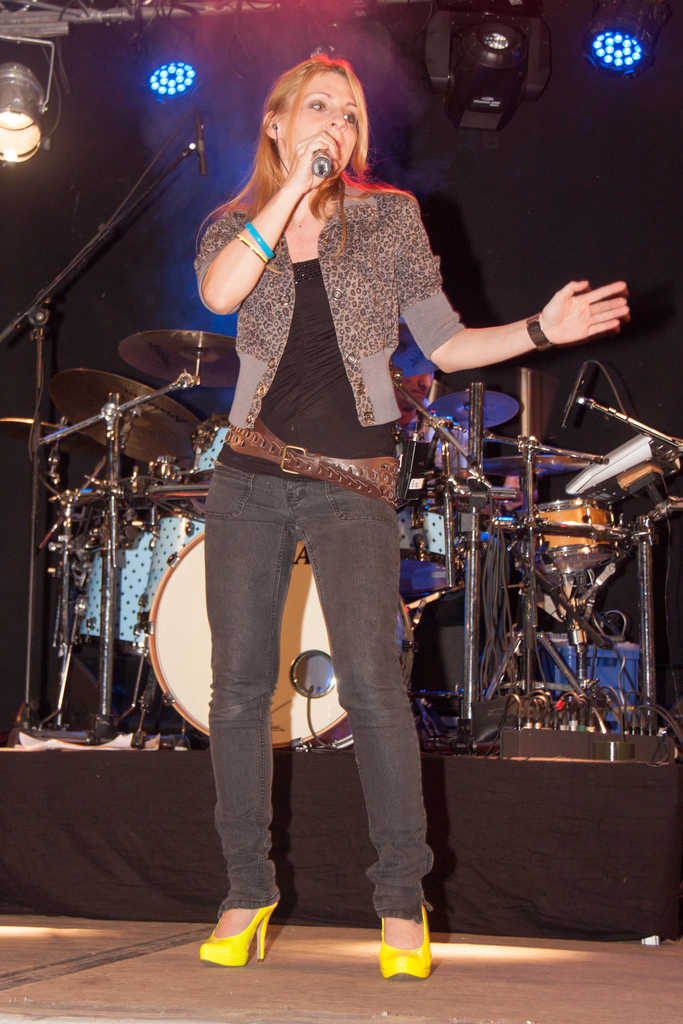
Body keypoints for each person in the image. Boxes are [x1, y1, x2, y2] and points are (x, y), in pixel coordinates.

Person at [193, 54, 629, 979]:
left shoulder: (388, 217)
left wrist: (539, 330)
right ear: (276, 123)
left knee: (372, 688)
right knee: (237, 689)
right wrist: (289, 193)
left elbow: (445, 341)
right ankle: (245, 891)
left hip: (354, 480)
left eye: (349, 114)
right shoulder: (233, 224)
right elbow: (221, 294)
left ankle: (400, 900)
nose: (337, 124)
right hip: (249, 474)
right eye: (319, 108)